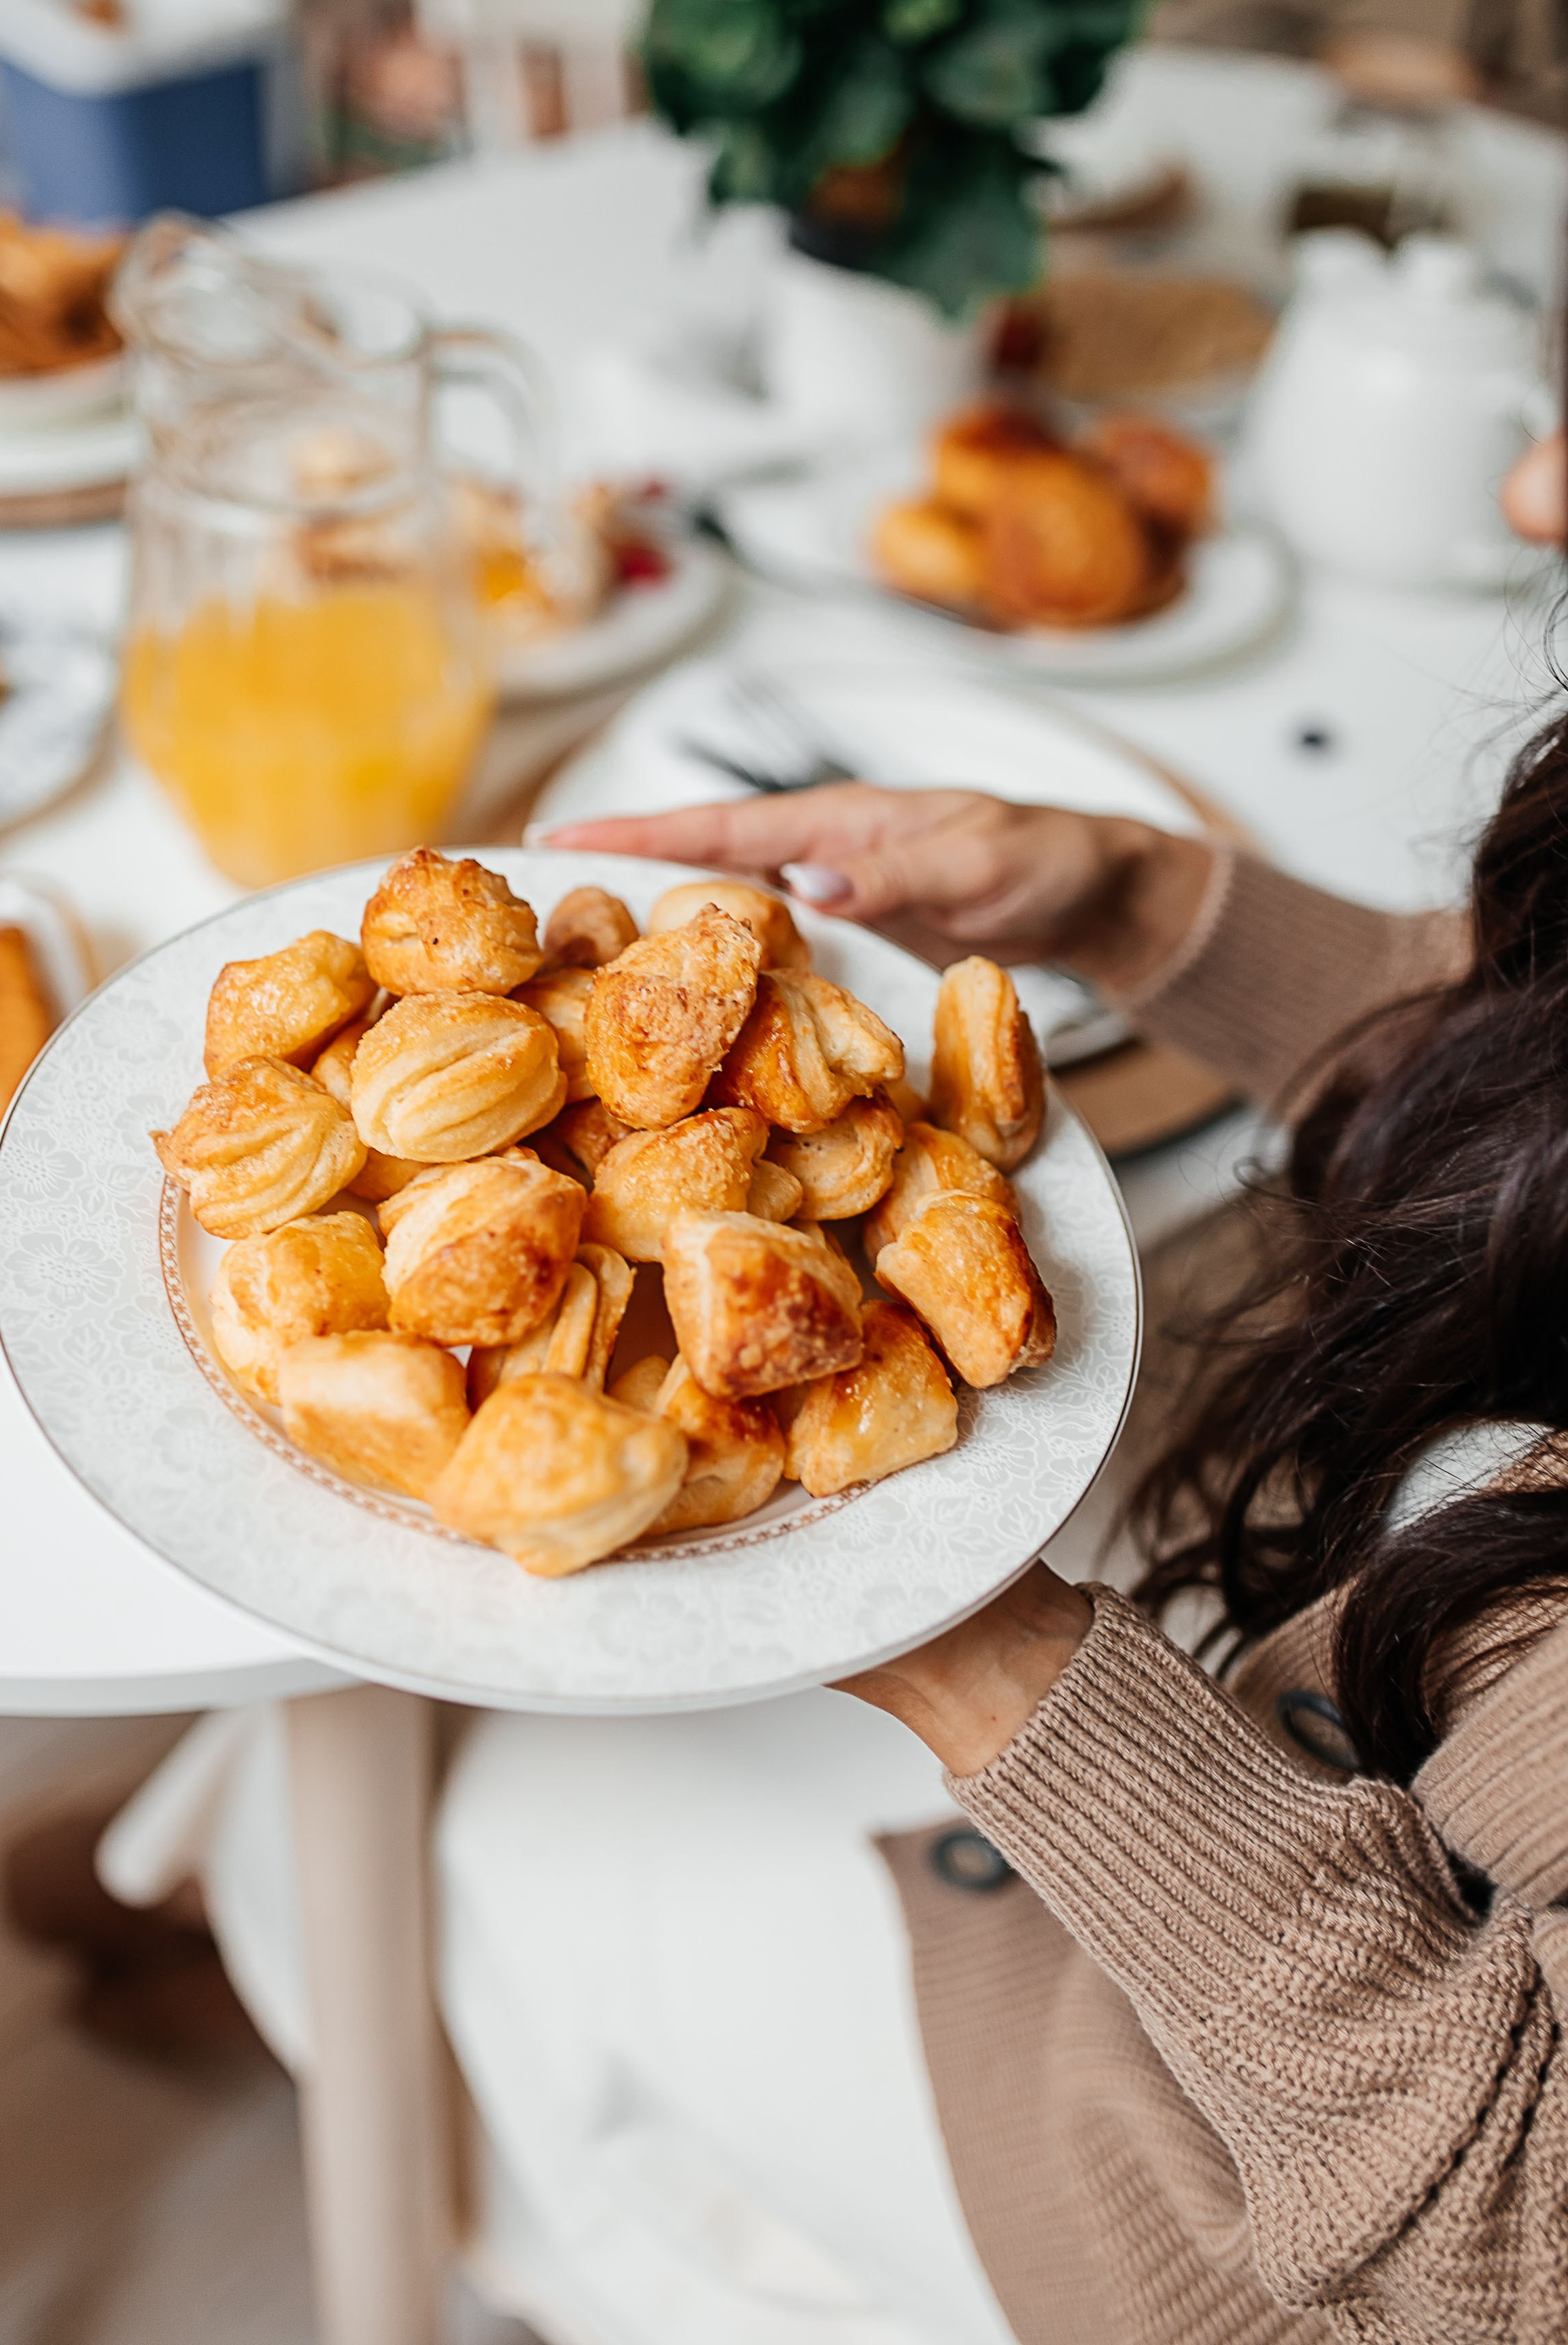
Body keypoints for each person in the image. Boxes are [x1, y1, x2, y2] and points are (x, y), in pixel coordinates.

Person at [93, 434, 1568, 2345]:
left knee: (462, 1807)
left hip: (1228, 2180)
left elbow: (1505, 2253)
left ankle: (340, 2002)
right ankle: (244, 1903)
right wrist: (1134, 902)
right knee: (385, 1691)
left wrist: (983, 1663)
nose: (1533, 489)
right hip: (1301, 1685)